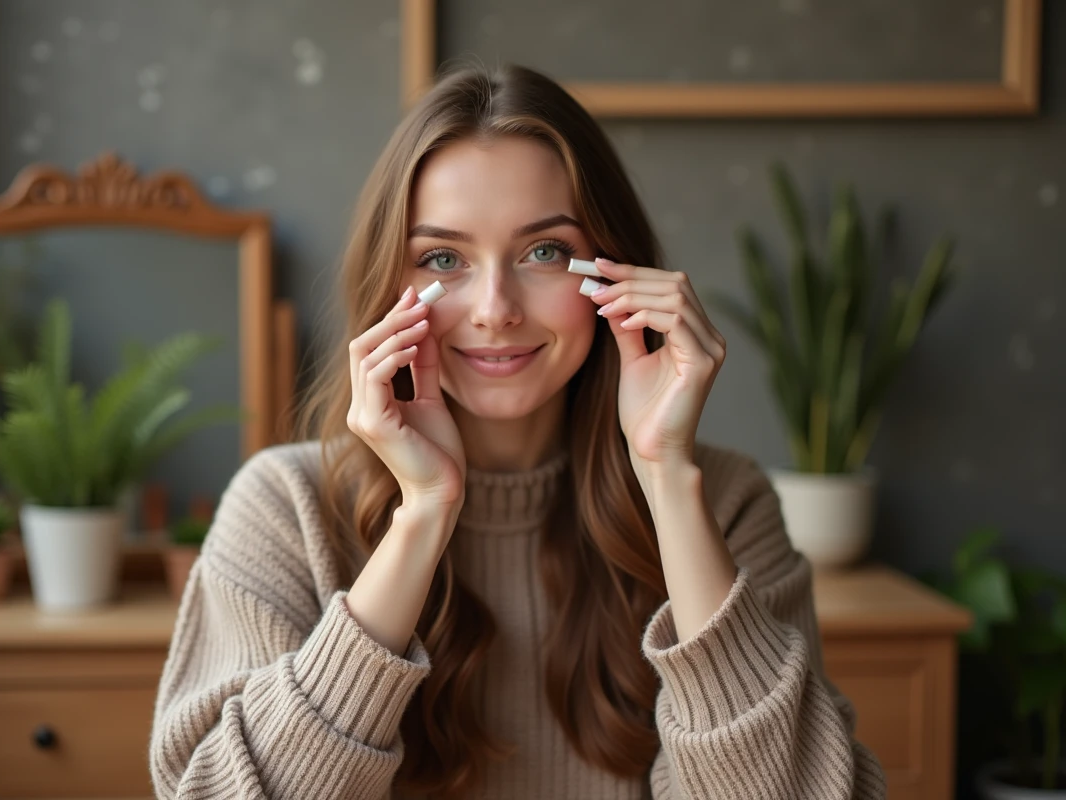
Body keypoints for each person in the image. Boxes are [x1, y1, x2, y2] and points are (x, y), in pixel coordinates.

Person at [149, 63, 887, 799]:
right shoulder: (286, 506)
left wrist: (665, 476)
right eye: (443, 259)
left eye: (547, 253)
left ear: (619, 275)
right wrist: (422, 518)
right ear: (388, 288)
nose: (495, 308)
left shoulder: (723, 503)